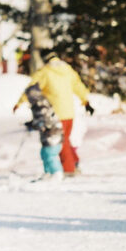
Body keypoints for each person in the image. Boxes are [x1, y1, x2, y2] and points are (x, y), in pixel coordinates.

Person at [13, 48, 93, 176]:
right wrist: (86, 101)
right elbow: (78, 86)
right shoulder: (68, 70)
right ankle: (74, 162)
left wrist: (19, 102)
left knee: (60, 141)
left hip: (54, 113)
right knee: (65, 139)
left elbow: (32, 87)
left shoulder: (45, 72)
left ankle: (68, 169)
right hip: (69, 112)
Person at [21, 83, 63, 180]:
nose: (28, 99)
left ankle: (56, 172)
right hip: (48, 135)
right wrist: (32, 123)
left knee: (49, 154)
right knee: (44, 153)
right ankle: (48, 172)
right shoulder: (38, 105)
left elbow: (44, 120)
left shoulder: (41, 105)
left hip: (53, 134)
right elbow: (39, 119)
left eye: (29, 96)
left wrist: (36, 125)